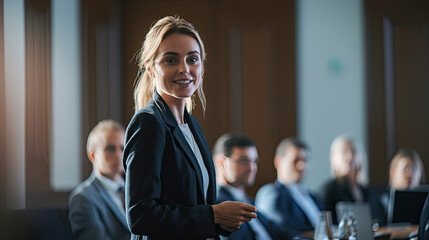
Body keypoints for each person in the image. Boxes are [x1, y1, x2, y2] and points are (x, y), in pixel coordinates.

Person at [122, 16, 257, 239]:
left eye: (192, 59)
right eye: (171, 60)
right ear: (150, 68)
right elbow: (140, 216)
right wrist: (213, 215)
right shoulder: (148, 123)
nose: (184, 69)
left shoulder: (192, 125)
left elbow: (194, 209)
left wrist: (224, 222)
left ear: (202, 66)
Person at [212, 133, 283, 240]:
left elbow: (280, 232)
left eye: (254, 161)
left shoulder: (248, 201)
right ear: (221, 162)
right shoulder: (218, 203)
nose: (252, 168)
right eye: (244, 160)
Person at [69, 120, 130, 240]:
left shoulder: (135, 189)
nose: (119, 155)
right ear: (92, 155)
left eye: (123, 148)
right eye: (110, 149)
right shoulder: (83, 197)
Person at [255, 137, 323, 238]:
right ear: (278, 162)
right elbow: (282, 233)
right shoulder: (271, 193)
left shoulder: (313, 196)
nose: (302, 166)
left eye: (305, 160)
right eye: (296, 160)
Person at [369, 148, 425, 226]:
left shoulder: (426, 202)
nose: (410, 174)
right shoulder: (378, 198)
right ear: (393, 171)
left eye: (415, 169)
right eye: (406, 168)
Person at [320, 135, 368, 224]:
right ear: (333, 158)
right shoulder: (329, 190)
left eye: (353, 151)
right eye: (344, 152)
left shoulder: (365, 190)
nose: (349, 157)